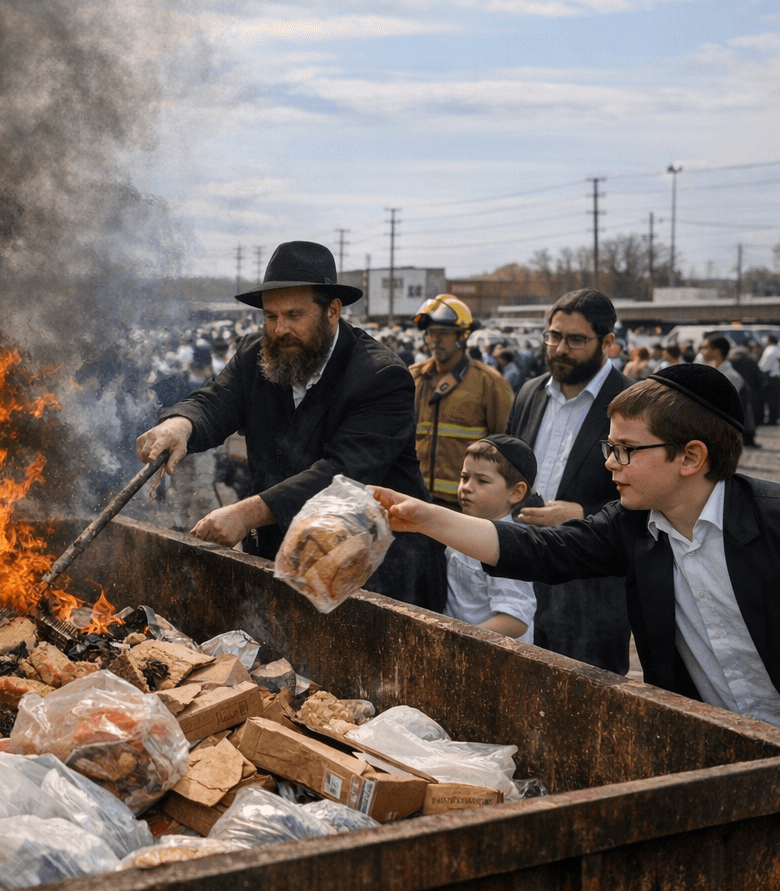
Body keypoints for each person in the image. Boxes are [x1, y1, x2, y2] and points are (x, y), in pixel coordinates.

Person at [373, 362, 780, 891]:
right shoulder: (632, 527)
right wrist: (427, 517)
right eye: (609, 447)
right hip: (752, 765)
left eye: (625, 450)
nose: (609, 464)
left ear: (690, 457)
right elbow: (542, 551)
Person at [135, 241, 445, 609]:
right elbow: (216, 400)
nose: (280, 329)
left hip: (375, 573)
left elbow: (344, 476)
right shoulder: (256, 355)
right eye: (270, 316)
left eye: (294, 315)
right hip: (284, 561)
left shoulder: (380, 376)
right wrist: (181, 424)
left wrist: (245, 513)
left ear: (332, 311)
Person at [506, 288, 632, 673]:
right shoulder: (530, 393)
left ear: (607, 343)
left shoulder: (634, 403)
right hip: (522, 571)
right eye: (554, 336)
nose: (560, 349)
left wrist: (581, 513)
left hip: (591, 587)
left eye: (576, 340)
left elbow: (655, 502)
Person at [408, 294, 513, 510]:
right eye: (430, 333)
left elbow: (507, 448)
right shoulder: (414, 378)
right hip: (418, 500)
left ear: (462, 336)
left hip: (464, 507)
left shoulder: (489, 383)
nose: (434, 340)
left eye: (443, 333)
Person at [445, 435, 538, 642]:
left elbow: (515, 619)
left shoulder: (510, 547)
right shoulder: (462, 527)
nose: (467, 487)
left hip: (488, 652)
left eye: (482, 481)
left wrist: (461, 638)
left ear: (516, 492)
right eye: (464, 477)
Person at [759, 335, 780, 424]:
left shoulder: (769, 350)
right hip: (779, 377)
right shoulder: (779, 349)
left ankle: (770, 420)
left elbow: (763, 366)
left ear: (769, 340)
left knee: (770, 400)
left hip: (771, 378)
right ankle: (774, 418)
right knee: (776, 400)